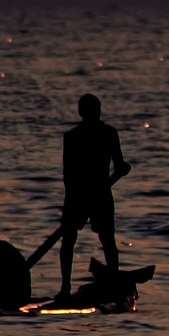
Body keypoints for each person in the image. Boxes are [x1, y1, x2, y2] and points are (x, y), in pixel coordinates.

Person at [59, 93, 131, 298]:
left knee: (96, 240)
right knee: (103, 240)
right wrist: (121, 170)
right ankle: (67, 288)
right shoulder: (107, 133)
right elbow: (120, 167)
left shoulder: (73, 136)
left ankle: (66, 288)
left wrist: (76, 196)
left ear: (81, 112)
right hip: (91, 194)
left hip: (82, 195)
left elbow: (68, 174)